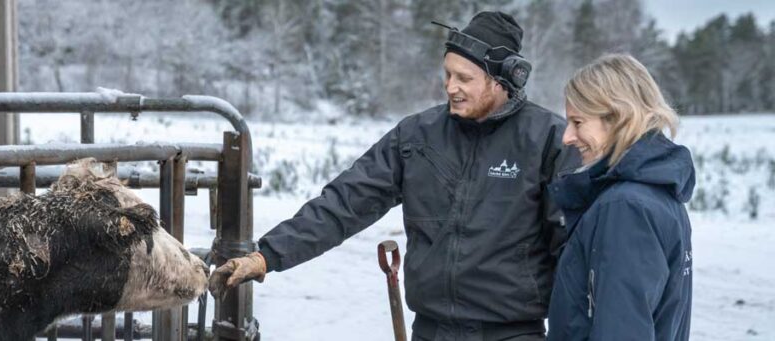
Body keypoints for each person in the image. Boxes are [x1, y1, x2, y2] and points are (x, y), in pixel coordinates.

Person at [210, 11, 581, 341]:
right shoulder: (418, 136)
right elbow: (345, 202)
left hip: (512, 332)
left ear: (503, 80)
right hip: (431, 329)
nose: (451, 86)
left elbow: (572, 250)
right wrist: (267, 256)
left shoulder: (549, 141)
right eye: (448, 74)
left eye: (464, 78)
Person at [545, 54, 694, 340]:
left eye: (578, 122)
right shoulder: (658, 193)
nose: (567, 137)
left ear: (618, 119)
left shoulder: (626, 207)